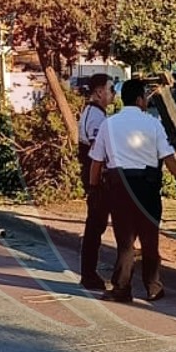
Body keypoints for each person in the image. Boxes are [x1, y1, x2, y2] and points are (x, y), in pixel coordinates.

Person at [89, 79, 176, 302]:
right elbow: (167, 156)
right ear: (139, 99)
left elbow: (96, 162)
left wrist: (93, 189)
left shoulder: (109, 124)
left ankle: (122, 288)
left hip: (119, 187)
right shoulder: (152, 124)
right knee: (149, 238)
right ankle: (153, 286)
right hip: (147, 187)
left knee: (125, 241)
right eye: (145, 96)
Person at [75, 73, 115, 291]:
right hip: (97, 180)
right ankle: (89, 275)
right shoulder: (96, 117)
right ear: (99, 91)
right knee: (95, 226)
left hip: (95, 179)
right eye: (111, 89)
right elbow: (96, 152)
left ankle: (89, 273)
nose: (112, 94)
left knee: (95, 225)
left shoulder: (93, 113)